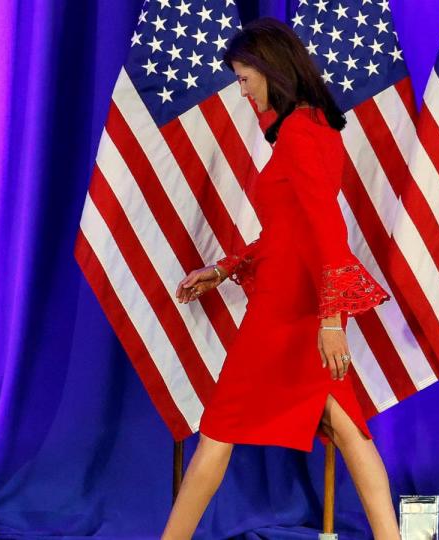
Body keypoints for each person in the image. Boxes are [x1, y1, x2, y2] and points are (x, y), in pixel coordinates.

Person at [167, 17, 400, 540]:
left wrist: (333, 318)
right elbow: (288, 233)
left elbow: (326, 228)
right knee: (347, 427)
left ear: (270, 69)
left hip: (290, 313)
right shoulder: (311, 128)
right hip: (297, 304)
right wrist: (224, 268)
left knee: (219, 429)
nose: (244, 91)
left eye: (245, 78)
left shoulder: (299, 131)